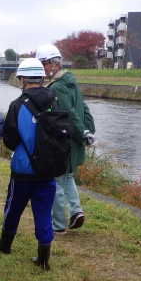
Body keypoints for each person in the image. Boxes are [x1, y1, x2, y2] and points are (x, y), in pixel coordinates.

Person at [0, 58, 58, 270]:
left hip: (23, 170)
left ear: (23, 79)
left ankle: (4, 245)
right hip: (48, 169)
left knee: (13, 207)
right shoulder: (54, 102)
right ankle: (44, 259)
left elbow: (9, 140)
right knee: (44, 213)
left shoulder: (17, 105)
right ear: (42, 79)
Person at [35, 44, 95, 235]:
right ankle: (76, 211)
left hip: (64, 142)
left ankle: (58, 225)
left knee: (56, 182)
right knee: (67, 176)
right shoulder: (71, 81)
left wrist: (83, 132)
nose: (42, 68)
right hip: (75, 141)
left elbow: (68, 113)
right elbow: (84, 108)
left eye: (43, 64)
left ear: (55, 63)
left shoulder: (58, 87)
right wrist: (87, 130)